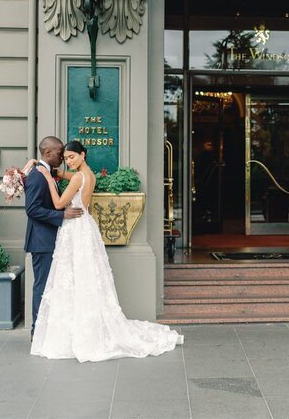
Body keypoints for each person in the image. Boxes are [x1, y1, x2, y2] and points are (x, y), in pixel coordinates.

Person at [29, 140, 184, 362]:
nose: (69, 161)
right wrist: (54, 172)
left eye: (72, 157)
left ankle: (76, 329)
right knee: (84, 275)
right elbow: (69, 177)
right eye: (66, 158)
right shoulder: (88, 174)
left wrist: (47, 178)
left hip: (75, 227)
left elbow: (58, 204)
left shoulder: (79, 178)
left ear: (83, 155)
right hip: (85, 227)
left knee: (74, 275)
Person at [23, 137, 83, 340]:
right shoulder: (38, 176)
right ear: (48, 153)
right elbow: (32, 210)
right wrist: (61, 215)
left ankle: (46, 330)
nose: (63, 158)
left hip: (49, 239)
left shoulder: (45, 172)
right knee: (42, 286)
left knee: (50, 286)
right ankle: (36, 332)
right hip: (42, 241)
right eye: (60, 154)